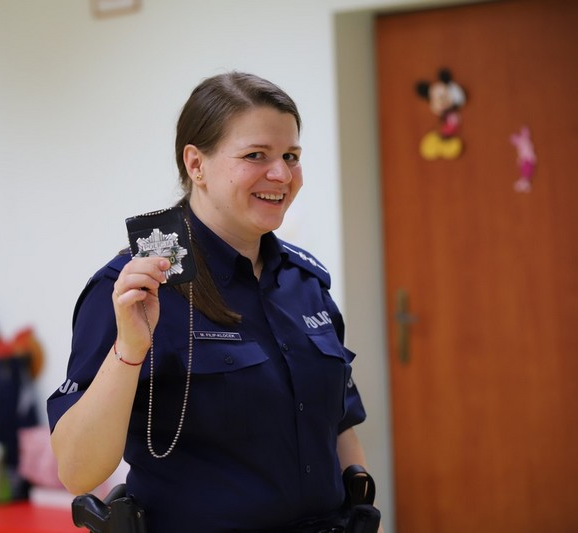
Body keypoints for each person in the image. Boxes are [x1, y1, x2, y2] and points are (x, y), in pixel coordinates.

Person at [48, 71, 381, 532]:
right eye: (255, 155)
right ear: (196, 165)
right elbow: (77, 471)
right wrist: (129, 350)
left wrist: (361, 508)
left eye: (291, 156)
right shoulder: (135, 289)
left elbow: (339, 424)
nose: (282, 174)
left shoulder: (305, 281)